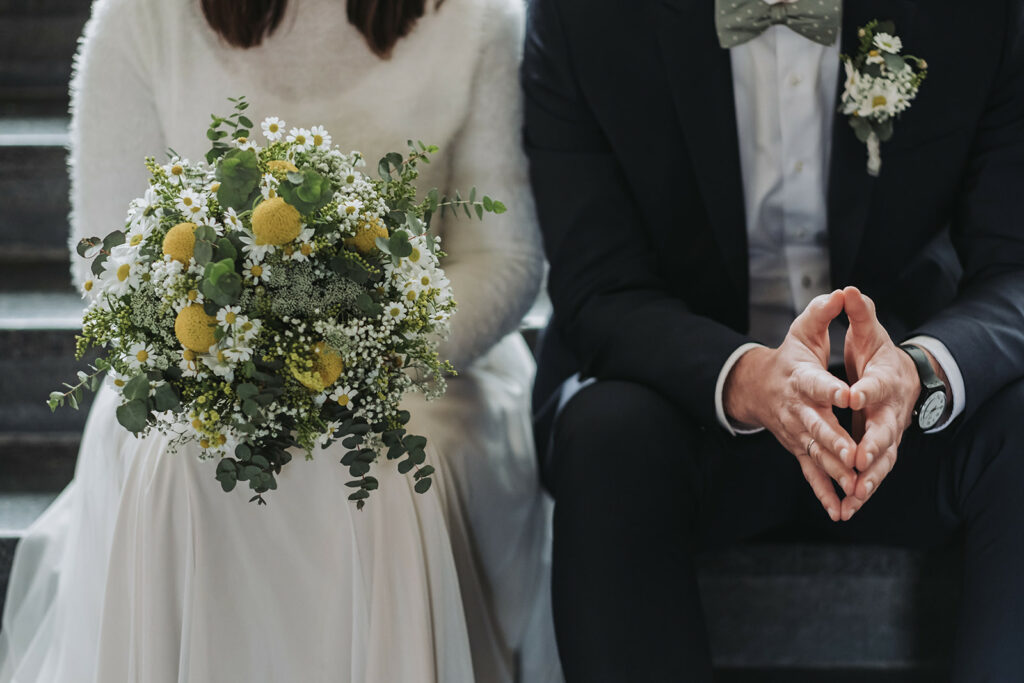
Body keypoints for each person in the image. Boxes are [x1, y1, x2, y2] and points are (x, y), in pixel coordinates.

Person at [0, 0, 561, 681]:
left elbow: (502, 258)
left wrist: (372, 354)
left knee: (385, 474)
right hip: (204, 364)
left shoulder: (475, 19)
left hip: (416, 363)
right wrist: (231, 358)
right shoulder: (141, 16)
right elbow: (107, 256)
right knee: (179, 459)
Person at [524, 0, 1024, 679]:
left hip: (904, 419)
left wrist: (920, 372)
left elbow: (1013, 266)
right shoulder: (584, 17)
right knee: (605, 437)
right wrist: (748, 379)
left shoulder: (983, 13)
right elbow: (599, 288)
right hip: (696, 408)